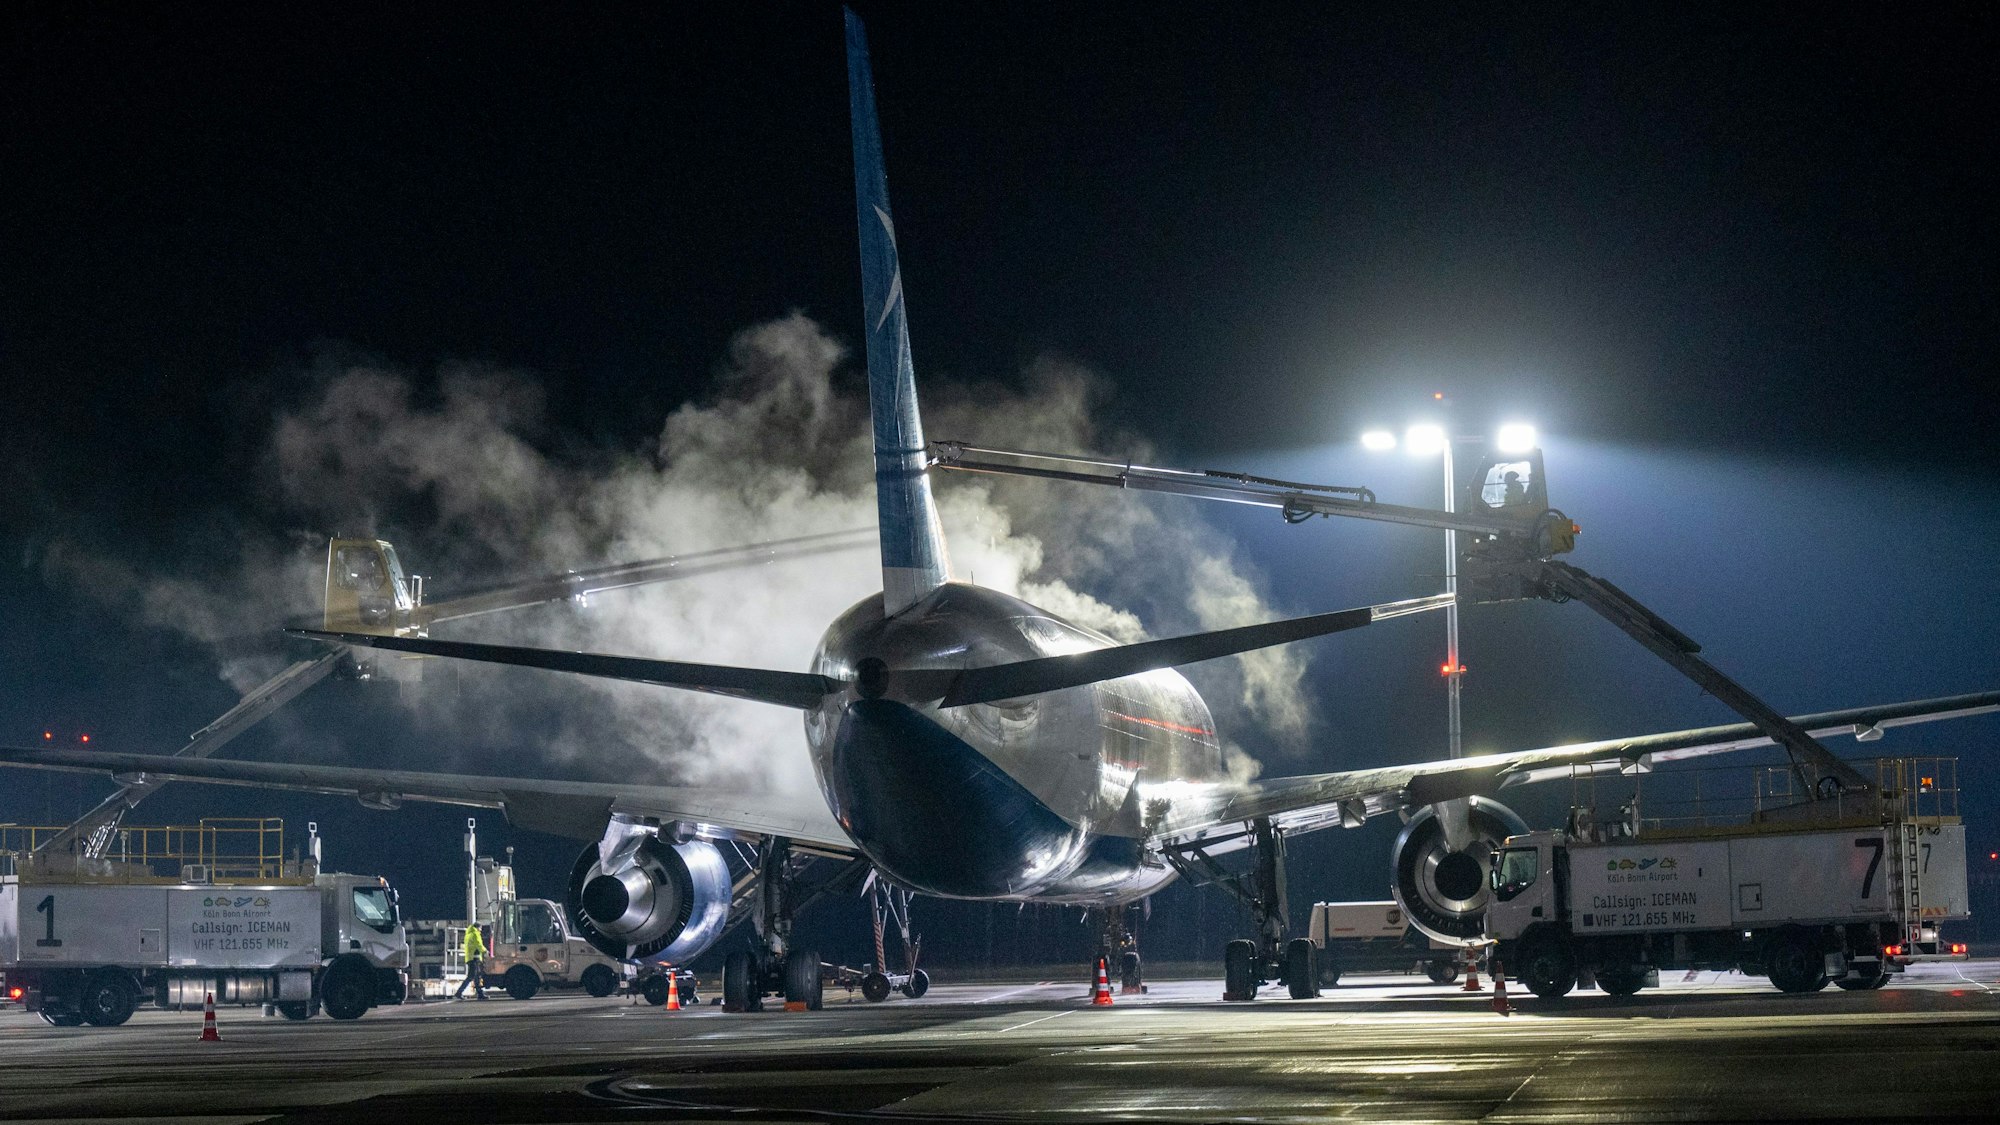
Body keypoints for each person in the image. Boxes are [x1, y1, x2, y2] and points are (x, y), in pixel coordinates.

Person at [454, 924, 488, 999]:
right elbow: (479, 944)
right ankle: (459, 992)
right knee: (471, 976)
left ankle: (480, 994)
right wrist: (485, 951)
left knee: (476, 977)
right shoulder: (475, 934)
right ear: (477, 927)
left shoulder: (468, 935)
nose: (481, 930)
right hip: (474, 958)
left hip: (470, 958)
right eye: (480, 928)